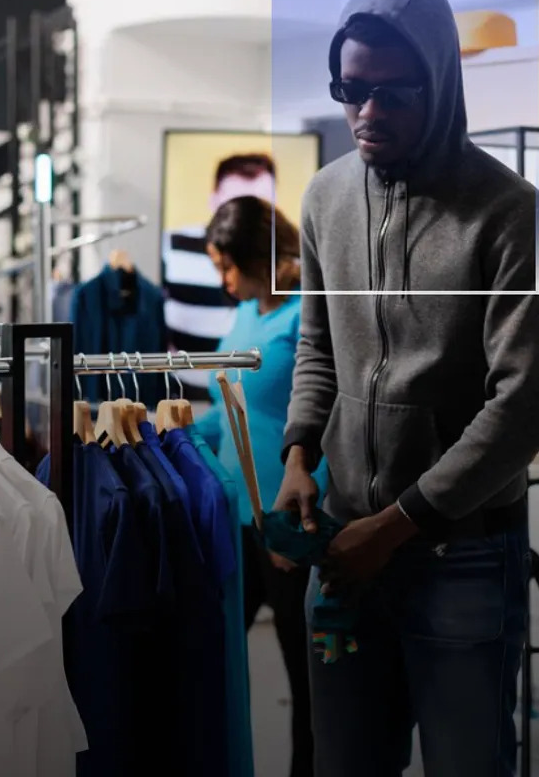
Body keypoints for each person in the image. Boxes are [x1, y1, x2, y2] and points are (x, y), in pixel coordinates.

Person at [274, 0, 539, 777]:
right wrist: (299, 457)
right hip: (343, 545)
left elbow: (530, 404)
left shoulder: (510, 213)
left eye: (392, 93)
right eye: (350, 90)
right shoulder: (325, 197)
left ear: (438, 84)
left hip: (459, 556)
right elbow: (319, 346)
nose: (367, 112)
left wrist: (397, 524)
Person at [195, 194, 327, 777]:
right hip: (238, 521)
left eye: (227, 265)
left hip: (288, 522)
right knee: (211, 659)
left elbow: (327, 419)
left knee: (308, 682)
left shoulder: (305, 313)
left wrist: (302, 521)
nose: (223, 280)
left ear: (255, 256)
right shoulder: (246, 313)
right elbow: (230, 413)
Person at [162, 153, 276, 401]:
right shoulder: (171, 245)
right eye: (233, 209)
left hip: (253, 400)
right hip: (182, 396)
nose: (243, 226)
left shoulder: (286, 270)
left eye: (256, 210)